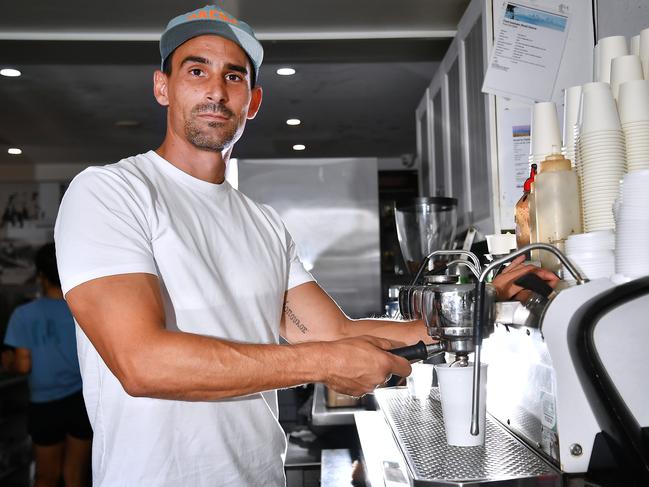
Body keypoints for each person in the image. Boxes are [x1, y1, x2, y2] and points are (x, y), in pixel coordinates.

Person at [53, 5, 558, 486]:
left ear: (253, 100)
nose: (216, 92)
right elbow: (143, 363)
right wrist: (323, 363)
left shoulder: (262, 224)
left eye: (234, 76)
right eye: (196, 71)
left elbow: (337, 331)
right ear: (163, 87)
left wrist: (479, 303)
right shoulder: (110, 192)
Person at [3, 242, 92, 487]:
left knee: (46, 477)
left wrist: (8, 362)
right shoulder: (83, 309)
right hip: (81, 401)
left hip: (45, 406)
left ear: (40, 275)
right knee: (75, 477)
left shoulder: (24, 314)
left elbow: (22, 366)